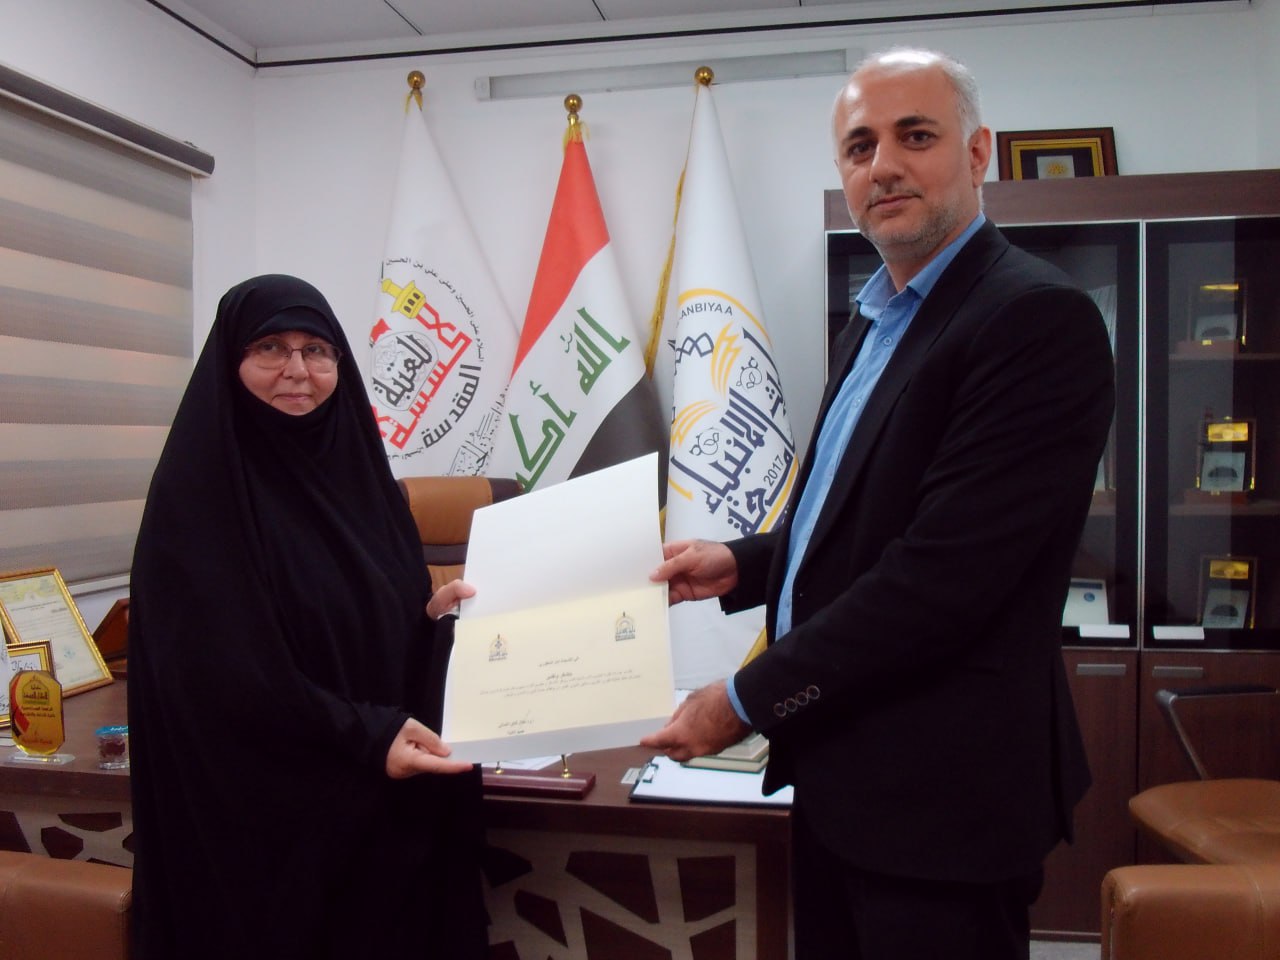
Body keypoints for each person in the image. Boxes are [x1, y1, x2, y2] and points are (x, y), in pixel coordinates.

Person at [641, 48, 1114, 960]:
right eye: (860, 147)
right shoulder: (876, 317)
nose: (883, 165)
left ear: (977, 152)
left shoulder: (1032, 319)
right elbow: (853, 515)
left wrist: (742, 699)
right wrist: (745, 562)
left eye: (915, 136)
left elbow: (940, 579)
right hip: (840, 782)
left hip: (941, 807)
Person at [127, 274, 486, 959]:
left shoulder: (363, 484)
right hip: (262, 829)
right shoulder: (197, 498)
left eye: (316, 350)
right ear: (231, 361)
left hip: (380, 807)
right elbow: (220, 674)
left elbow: (369, 634)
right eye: (270, 347)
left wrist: (430, 623)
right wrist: (365, 734)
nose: (297, 369)